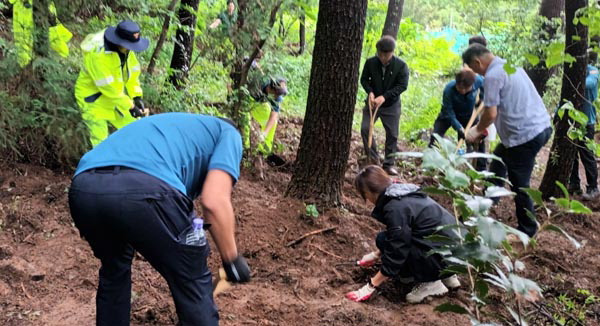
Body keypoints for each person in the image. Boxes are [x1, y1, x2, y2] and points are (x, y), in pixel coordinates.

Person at [68, 113, 251, 326]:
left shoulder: (177, 128)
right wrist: (232, 259)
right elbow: (213, 201)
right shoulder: (229, 134)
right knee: (191, 275)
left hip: (84, 188)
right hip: (145, 188)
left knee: (114, 269)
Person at [463, 44, 552, 237]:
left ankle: (528, 230)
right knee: (499, 158)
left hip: (524, 136)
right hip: (540, 126)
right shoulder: (511, 66)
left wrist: (476, 130)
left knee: (519, 182)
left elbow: (491, 113)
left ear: (478, 62)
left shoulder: (493, 76)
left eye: (473, 67)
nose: (476, 73)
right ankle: (488, 200)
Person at [345, 166, 460, 304]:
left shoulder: (395, 207)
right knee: (384, 239)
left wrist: (370, 286)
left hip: (442, 255)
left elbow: (397, 250)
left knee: (389, 243)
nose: (367, 200)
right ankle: (447, 275)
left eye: (365, 195)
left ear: (368, 192)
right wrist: (376, 255)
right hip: (455, 251)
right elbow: (401, 235)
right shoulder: (403, 192)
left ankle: (431, 284)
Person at [74, 20, 149, 147]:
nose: (132, 49)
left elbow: (132, 75)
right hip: (93, 99)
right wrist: (130, 106)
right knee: (100, 142)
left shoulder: (126, 51)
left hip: (116, 98)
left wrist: (137, 97)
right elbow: (108, 88)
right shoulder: (97, 56)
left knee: (135, 129)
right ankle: (99, 165)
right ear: (120, 41)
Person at [360, 35, 410, 176]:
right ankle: (372, 159)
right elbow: (364, 79)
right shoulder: (370, 63)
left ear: (392, 52)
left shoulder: (401, 66)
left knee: (392, 134)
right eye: (379, 54)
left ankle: (388, 164)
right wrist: (370, 92)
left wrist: (385, 96)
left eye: (385, 55)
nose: (382, 57)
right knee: (365, 128)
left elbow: (402, 85)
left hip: (391, 105)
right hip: (372, 103)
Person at [429, 68, 487, 170]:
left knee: (479, 138)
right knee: (435, 136)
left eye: (466, 89)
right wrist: (459, 128)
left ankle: (480, 169)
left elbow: (485, 84)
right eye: (460, 88)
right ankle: (430, 163)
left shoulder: (478, 80)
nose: (463, 91)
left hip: (469, 115)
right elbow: (449, 112)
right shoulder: (449, 90)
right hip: (448, 115)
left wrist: (482, 97)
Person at [569, 51, 599, 200]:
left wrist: (575, 79)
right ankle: (574, 184)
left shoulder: (593, 71)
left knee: (586, 154)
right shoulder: (575, 72)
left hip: (586, 122)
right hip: (572, 119)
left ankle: (593, 187)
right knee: (571, 154)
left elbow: (590, 83)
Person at [9, 0, 72, 67]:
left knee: (29, 36)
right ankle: (27, 66)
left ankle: (33, 65)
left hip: (36, 9)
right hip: (25, 8)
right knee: (24, 37)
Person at [244, 76, 288, 162]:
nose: (277, 96)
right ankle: (245, 148)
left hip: (260, 103)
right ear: (270, 88)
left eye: (279, 94)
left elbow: (274, 115)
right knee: (245, 118)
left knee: (272, 122)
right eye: (276, 93)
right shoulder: (256, 84)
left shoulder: (276, 97)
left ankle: (264, 151)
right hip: (248, 99)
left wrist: (264, 133)